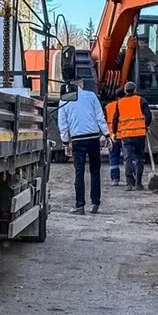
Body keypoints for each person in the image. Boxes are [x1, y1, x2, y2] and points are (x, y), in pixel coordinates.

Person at [58, 80, 110, 215]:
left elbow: (62, 123)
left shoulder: (64, 100)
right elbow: (100, 116)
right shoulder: (91, 96)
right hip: (93, 138)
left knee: (79, 172)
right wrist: (106, 134)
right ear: (81, 85)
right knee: (95, 171)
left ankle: (79, 206)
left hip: (77, 140)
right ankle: (95, 203)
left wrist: (65, 142)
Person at [112, 82, 152, 191]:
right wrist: (145, 125)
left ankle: (129, 183)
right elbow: (148, 115)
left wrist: (115, 132)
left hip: (126, 136)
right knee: (139, 159)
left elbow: (115, 119)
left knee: (127, 159)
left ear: (125, 91)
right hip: (139, 135)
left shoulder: (119, 103)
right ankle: (138, 183)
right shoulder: (140, 100)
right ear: (134, 90)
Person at [105, 88, 132, 188]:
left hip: (113, 136)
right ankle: (131, 178)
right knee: (128, 157)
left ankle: (115, 179)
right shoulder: (125, 105)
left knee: (113, 157)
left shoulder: (108, 107)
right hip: (124, 135)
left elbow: (105, 121)